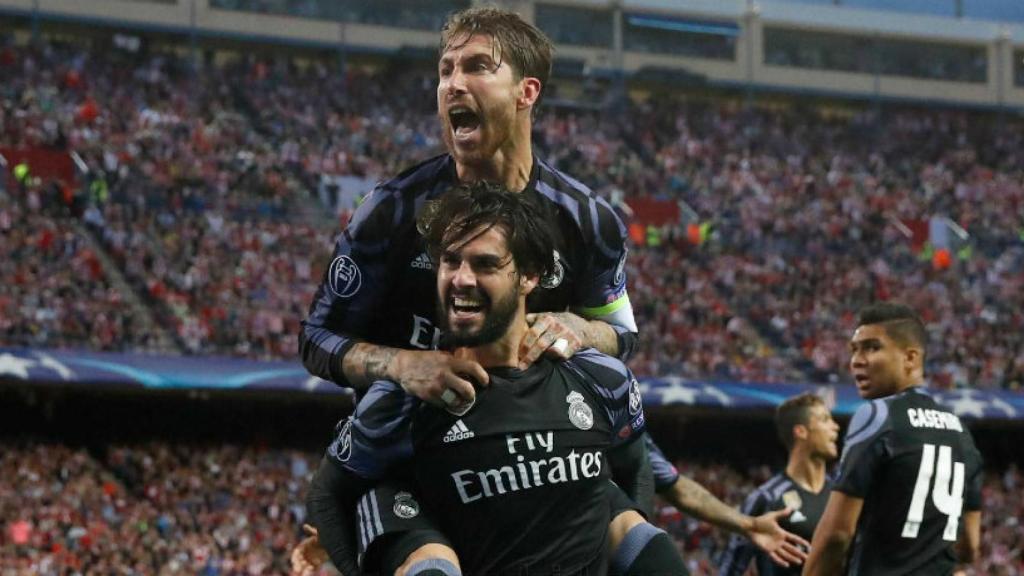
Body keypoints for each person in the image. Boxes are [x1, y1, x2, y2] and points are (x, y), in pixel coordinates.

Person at [297, 6, 804, 573]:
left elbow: (621, 336)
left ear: (527, 91)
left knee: (645, 547)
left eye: (476, 66)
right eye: (444, 70)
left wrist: (581, 328)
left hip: (544, 449)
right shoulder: (390, 212)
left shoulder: (587, 219)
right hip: (412, 459)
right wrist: (402, 365)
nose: (452, 84)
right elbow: (316, 339)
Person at [335, 181, 688, 575]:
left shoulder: (598, 377)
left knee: (631, 526)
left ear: (529, 276)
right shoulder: (407, 392)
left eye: (485, 264)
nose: (462, 279)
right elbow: (333, 493)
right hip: (441, 544)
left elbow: (636, 470)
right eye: (451, 261)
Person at [803, 303, 983, 576]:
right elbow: (970, 546)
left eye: (872, 348)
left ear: (910, 358)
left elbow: (837, 535)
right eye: (854, 350)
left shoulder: (877, 415)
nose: (857, 360)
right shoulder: (962, 433)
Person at [719, 393, 839, 575]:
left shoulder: (840, 495)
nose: (835, 427)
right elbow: (731, 568)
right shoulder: (767, 498)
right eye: (825, 420)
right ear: (801, 431)